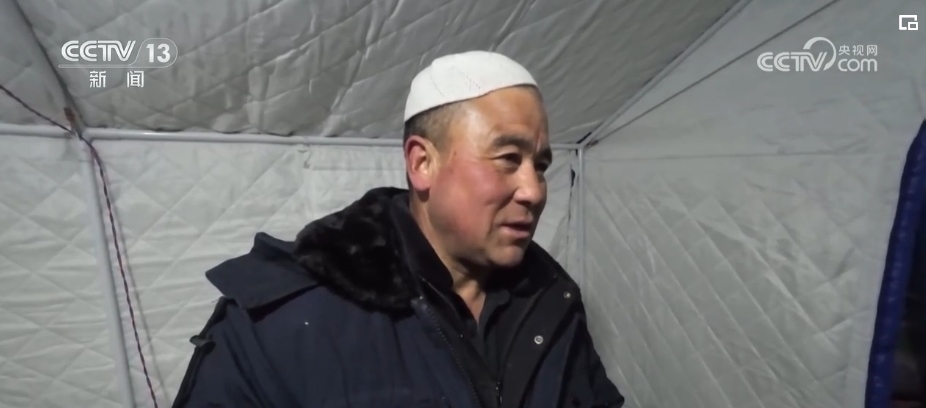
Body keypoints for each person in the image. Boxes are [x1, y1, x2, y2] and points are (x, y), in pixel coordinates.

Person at [171, 50, 624, 408]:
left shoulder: (552, 300)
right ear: (422, 163)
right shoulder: (278, 319)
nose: (534, 190)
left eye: (540, 165)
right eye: (508, 158)